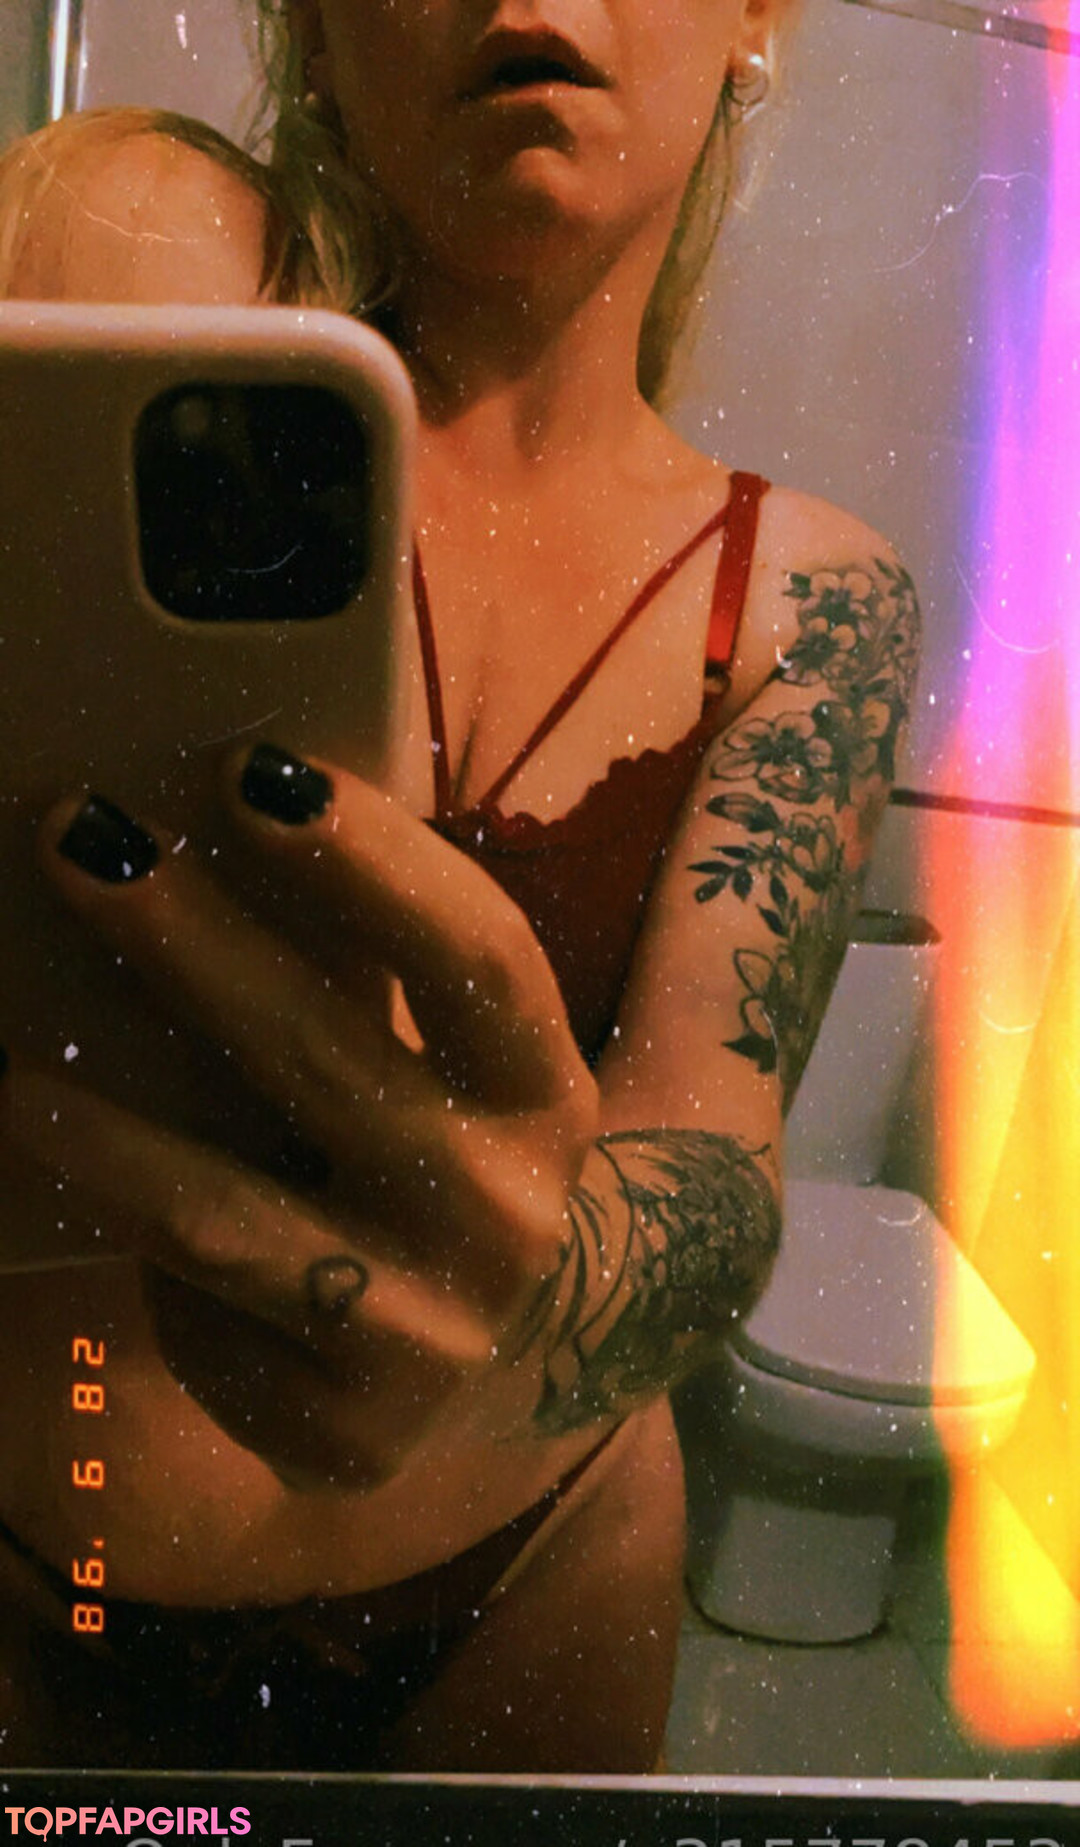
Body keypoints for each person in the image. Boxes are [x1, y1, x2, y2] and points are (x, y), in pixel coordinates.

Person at [0, 0, 920, 1773]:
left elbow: (714, 1154)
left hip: (535, 1574)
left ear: (754, 21)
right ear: (316, 38)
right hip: (52, 1564)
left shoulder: (812, 601)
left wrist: (545, 1299)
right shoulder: (162, 305)